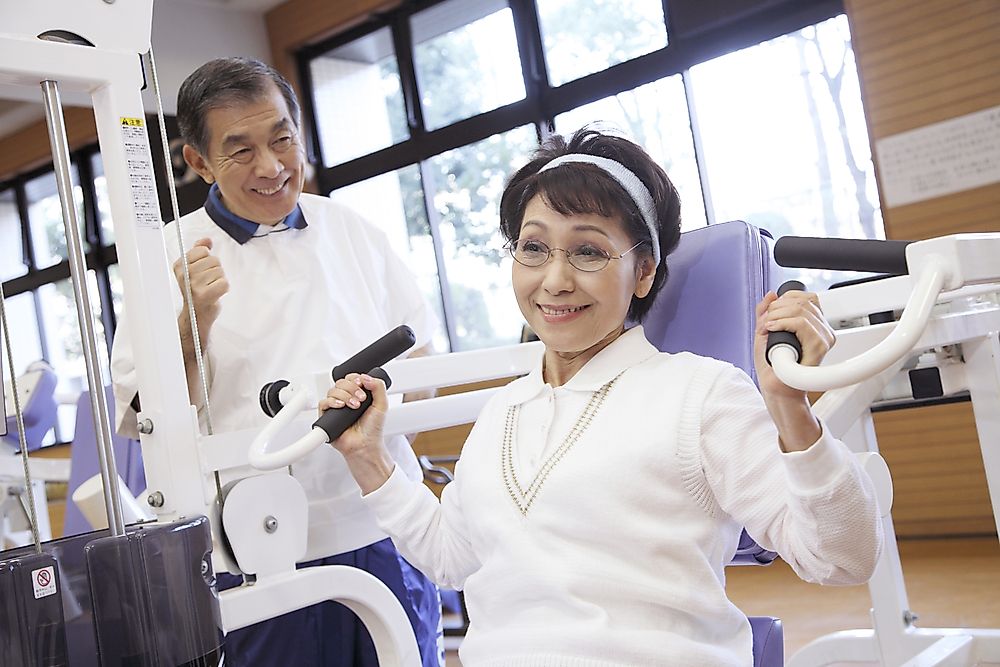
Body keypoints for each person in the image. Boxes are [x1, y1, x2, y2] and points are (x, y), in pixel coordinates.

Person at [318, 128, 884, 666]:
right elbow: (449, 558)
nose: (555, 279)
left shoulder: (700, 392)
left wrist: (790, 408)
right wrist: (368, 457)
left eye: (587, 252)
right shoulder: (502, 412)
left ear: (643, 271)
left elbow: (842, 558)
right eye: (533, 248)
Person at [109, 57, 442, 667]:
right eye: (240, 151)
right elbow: (147, 423)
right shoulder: (161, 257)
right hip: (253, 555)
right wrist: (193, 328)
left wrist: (383, 426)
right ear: (199, 162)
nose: (271, 166)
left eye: (282, 138)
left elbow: (419, 354)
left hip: (380, 530)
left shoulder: (354, 230)